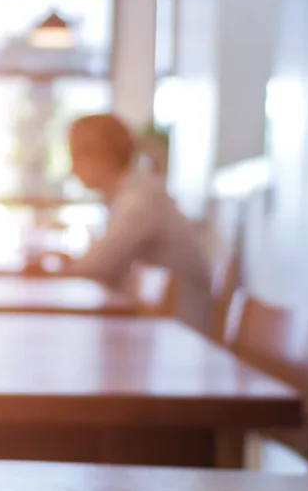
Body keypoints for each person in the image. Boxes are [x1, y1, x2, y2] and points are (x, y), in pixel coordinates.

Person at [67, 113, 220, 334]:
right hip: (160, 328)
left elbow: (96, 265)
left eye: (75, 157)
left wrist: (52, 270)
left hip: (181, 333)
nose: (72, 169)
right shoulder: (131, 193)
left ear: (98, 156)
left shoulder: (140, 198)